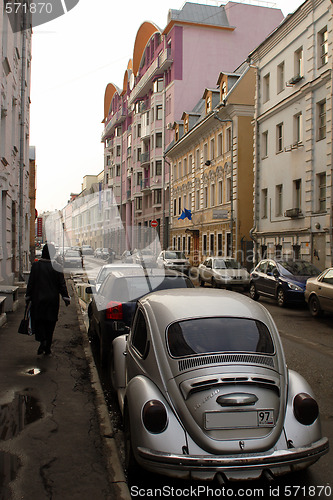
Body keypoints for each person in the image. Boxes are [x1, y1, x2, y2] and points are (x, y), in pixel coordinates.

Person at [26, 243, 71, 355]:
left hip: (38, 300)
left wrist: (28, 297)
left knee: (39, 321)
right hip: (52, 301)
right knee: (50, 323)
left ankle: (43, 340)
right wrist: (66, 298)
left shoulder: (36, 266)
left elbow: (30, 283)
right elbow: (62, 285)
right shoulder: (57, 267)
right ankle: (48, 347)